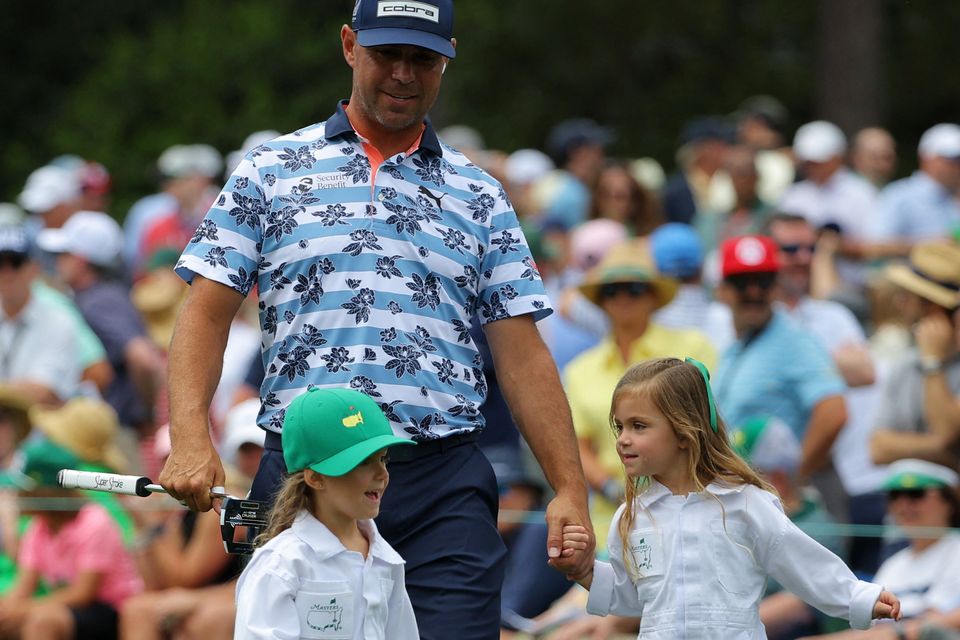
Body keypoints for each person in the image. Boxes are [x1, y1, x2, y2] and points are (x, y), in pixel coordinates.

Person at [159, 2, 594, 638]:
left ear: (445, 62)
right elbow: (205, 313)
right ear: (348, 46)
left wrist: (568, 488)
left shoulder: (480, 193)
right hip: (308, 480)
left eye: (423, 59)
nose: (403, 74)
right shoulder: (269, 170)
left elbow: (521, 350)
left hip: (440, 478)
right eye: (387, 54)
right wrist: (191, 437)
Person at [560, 357, 901, 639]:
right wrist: (585, 571)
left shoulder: (747, 503)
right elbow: (633, 598)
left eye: (639, 426)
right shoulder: (631, 516)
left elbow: (803, 562)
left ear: (684, 431)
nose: (623, 440)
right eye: (620, 427)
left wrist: (859, 597)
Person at [234, 387, 419, 639]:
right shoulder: (281, 565)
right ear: (316, 478)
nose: (382, 474)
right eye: (363, 462)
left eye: (383, 459)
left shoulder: (387, 560)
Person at [713, 235, 848, 486]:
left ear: (776, 287)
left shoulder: (793, 340)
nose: (753, 292)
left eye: (762, 282)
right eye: (741, 282)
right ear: (722, 290)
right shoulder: (735, 346)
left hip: (775, 504)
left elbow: (834, 411)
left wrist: (795, 478)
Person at [800, 459, 960, 640]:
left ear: (949, 501)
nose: (903, 506)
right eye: (894, 496)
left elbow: (932, 626)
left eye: (916, 494)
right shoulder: (894, 564)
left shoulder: (956, 551)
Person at [0, 438, 142, 640]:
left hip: (109, 610)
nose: (13, 495)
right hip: (70, 610)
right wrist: (8, 609)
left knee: (44, 621)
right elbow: (23, 587)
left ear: (44, 493)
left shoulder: (95, 521)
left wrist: (22, 610)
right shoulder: (38, 527)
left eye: (20, 489)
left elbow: (83, 593)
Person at [869, 241, 960, 468]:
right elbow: (878, 448)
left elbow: (946, 430)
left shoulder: (925, 361)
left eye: (907, 296)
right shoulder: (906, 364)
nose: (899, 303)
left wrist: (933, 363)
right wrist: (943, 451)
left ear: (934, 307)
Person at [0, 225, 84, 405]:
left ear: (34, 268)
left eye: (16, 263)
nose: (7, 274)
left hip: (40, 430)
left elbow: (44, 391)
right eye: (0, 264)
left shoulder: (59, 320)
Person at [868, 123, 960, 256]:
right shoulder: (898, 195)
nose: (957, 166)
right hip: (909, 275)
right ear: (926, 158)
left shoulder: (954, 196)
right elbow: (874, 246)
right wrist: (932, 246)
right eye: (953, 159)